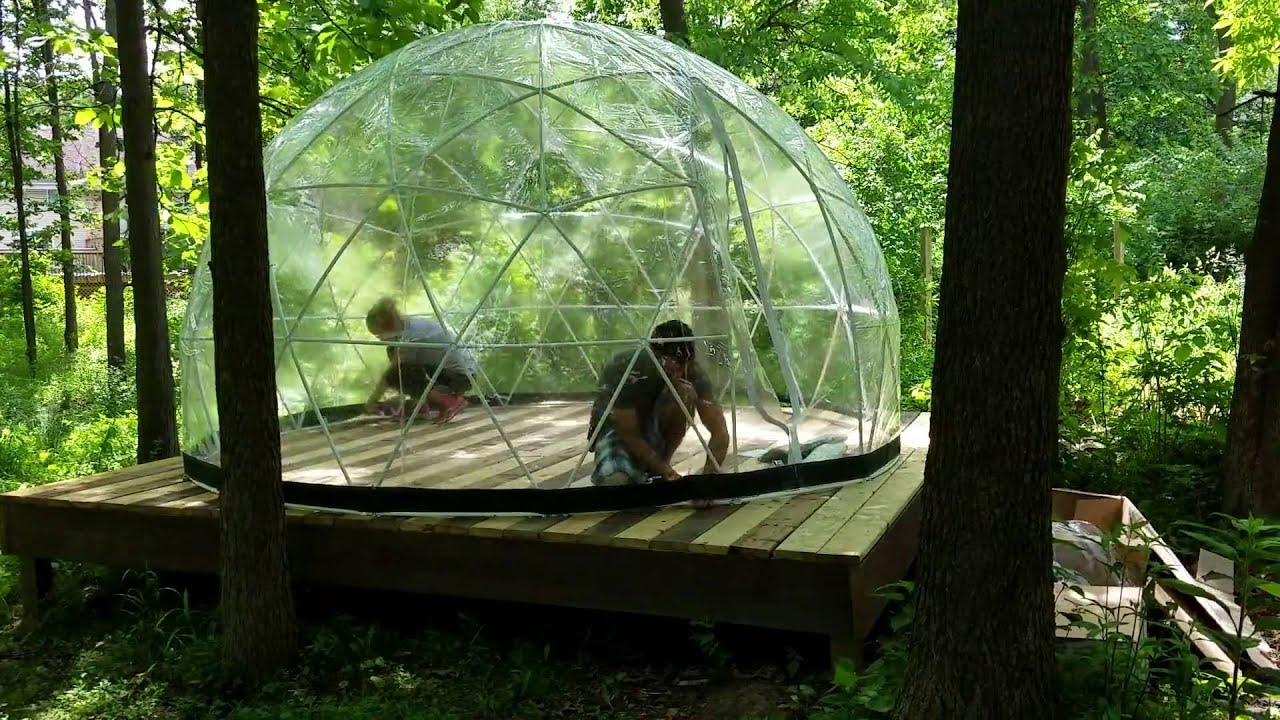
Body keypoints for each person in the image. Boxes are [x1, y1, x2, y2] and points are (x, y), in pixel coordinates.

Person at [588, 319, 730, 486]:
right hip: (616, 432)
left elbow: (720, 433)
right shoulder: (629, 367)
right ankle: (650, 468)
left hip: (654, 431)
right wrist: (666, 471)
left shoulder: (691, 372)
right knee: (616, 484)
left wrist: (708, 483)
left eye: (684, 362)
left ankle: (658, 466)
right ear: (653, 354)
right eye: (669, 361)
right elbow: (628, 433)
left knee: (685, 392)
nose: (677, 368)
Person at [364, 297, 477, 423]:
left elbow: (393, 373)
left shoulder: (412, 337)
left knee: (396, 374)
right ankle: (423, 405)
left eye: (380, 335)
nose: (381, 340)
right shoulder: (412, 326)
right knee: (394, 355)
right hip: (456, 373)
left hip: (459, 378)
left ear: (389, 327)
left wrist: (372, 401)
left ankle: (449, 402)